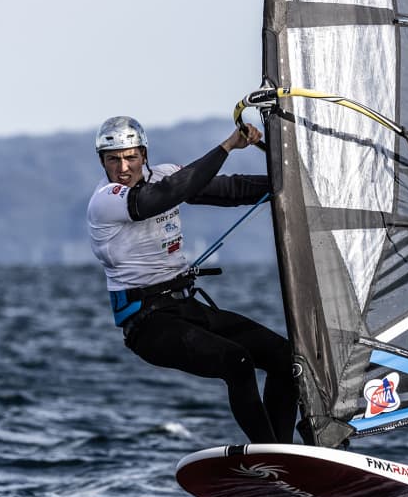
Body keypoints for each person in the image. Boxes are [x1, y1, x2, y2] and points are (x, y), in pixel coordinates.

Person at [86, 116, 297, 445]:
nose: (123, 168)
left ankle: (287, 455)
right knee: (237, 362)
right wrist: (227, 146)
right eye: (113, 159)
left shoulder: (166, 175)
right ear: (102, 162)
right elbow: (159, 199)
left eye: (131, 157)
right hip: (149, 324)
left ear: (144, 154)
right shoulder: (107, 200)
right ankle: (268, 453)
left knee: (285, 358)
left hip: (186, 307)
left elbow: (230, 189)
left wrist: (288, 183)